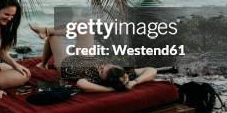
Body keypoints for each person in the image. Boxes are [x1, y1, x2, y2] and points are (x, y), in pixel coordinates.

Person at [29, 24, 157, 92]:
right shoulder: (122, 74)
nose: (103, 66)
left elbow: (81, 84)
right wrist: (135, 82)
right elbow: (152, 70)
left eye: (102, 70)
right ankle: (46, 30)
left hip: (67, 64)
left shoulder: (96, 80)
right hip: (86, 56)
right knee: (84, 25)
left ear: (104, 79)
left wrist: (109, 89)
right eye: (109, 65)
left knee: (53, 37)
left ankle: (43, 62)